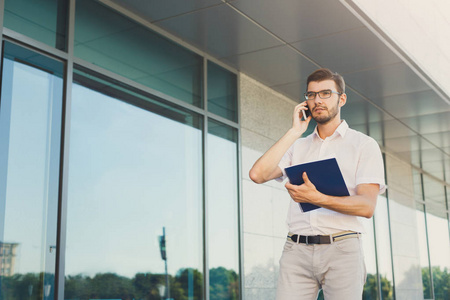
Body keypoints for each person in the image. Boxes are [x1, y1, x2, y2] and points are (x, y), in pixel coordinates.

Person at [249, 68, 386, 300]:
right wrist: (294, 131)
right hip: (296, 250)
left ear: (341, 98)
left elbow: (366, 207)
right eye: (311, 95)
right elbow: (257, 174)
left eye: (325, 93)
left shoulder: (363, 145)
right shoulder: (298, 146)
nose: (317, 100)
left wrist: (316, 198)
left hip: (342, 249)